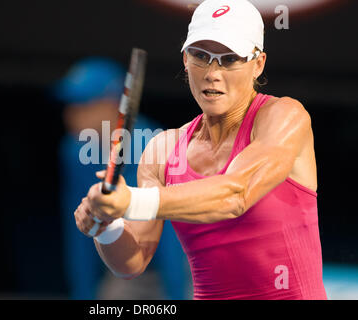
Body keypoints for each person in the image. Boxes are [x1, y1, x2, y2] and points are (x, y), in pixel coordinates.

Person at [74, 0, 327, 300]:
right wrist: (107, 223)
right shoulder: (162, 149)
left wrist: (129, 201)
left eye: (230, 58)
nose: (212, 72)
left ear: (258, 64)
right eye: (201, 56)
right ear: (185, 59)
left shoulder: (284, 116)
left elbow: (235, 195)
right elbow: (132, 261)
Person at [56, 57, 189, 299]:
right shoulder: (73, 152)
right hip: (127, 270)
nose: (72, 113)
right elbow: (79, 229)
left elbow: (173, 238)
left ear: (112, 105)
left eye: (84, 103)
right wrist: (83, 296)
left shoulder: (154, 146)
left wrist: (177, 298)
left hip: (184, 264)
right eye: (70, 104)